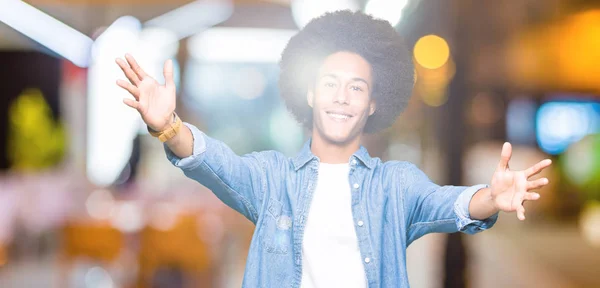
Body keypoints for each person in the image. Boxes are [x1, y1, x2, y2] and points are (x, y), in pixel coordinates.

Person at [115, 10, 551, 288]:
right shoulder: (272, 179)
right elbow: (213, 163)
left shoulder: (395, 185)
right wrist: (168, 126)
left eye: (356, 87)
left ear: (372, 103)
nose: (342, 97)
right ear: (310, 94)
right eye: (330, 83)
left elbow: (450, 203)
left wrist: (491, 197)